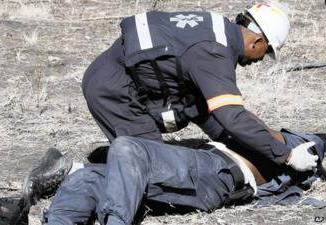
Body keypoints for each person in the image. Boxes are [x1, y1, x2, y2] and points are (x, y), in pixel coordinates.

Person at [81, 2, 317, 173]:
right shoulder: (213, 54)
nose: (260, 59)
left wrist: (240, 142)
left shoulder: (219, 30)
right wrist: (287, 156)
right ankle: (75, 173)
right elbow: (232, 117)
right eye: (266, 52)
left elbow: (204, 108)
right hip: (114, 91)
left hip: (117, 76)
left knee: (150, 163)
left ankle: (111, 160)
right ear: (257, 41)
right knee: (154, 172)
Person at [41, 129, 325, 225]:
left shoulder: (298, 145)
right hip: (195, 179)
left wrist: (293, 155)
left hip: (215, 171)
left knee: (127, 147)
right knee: (86, 178)